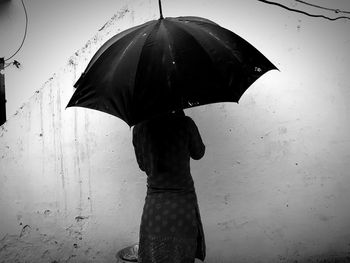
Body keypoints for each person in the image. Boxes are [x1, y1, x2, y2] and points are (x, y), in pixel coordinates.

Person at [132, 110, 206, 263]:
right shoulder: (185, 124)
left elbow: (142, 165)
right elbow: (199, 153)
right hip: (182, 207)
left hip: (154, 209)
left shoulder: (140, 128)